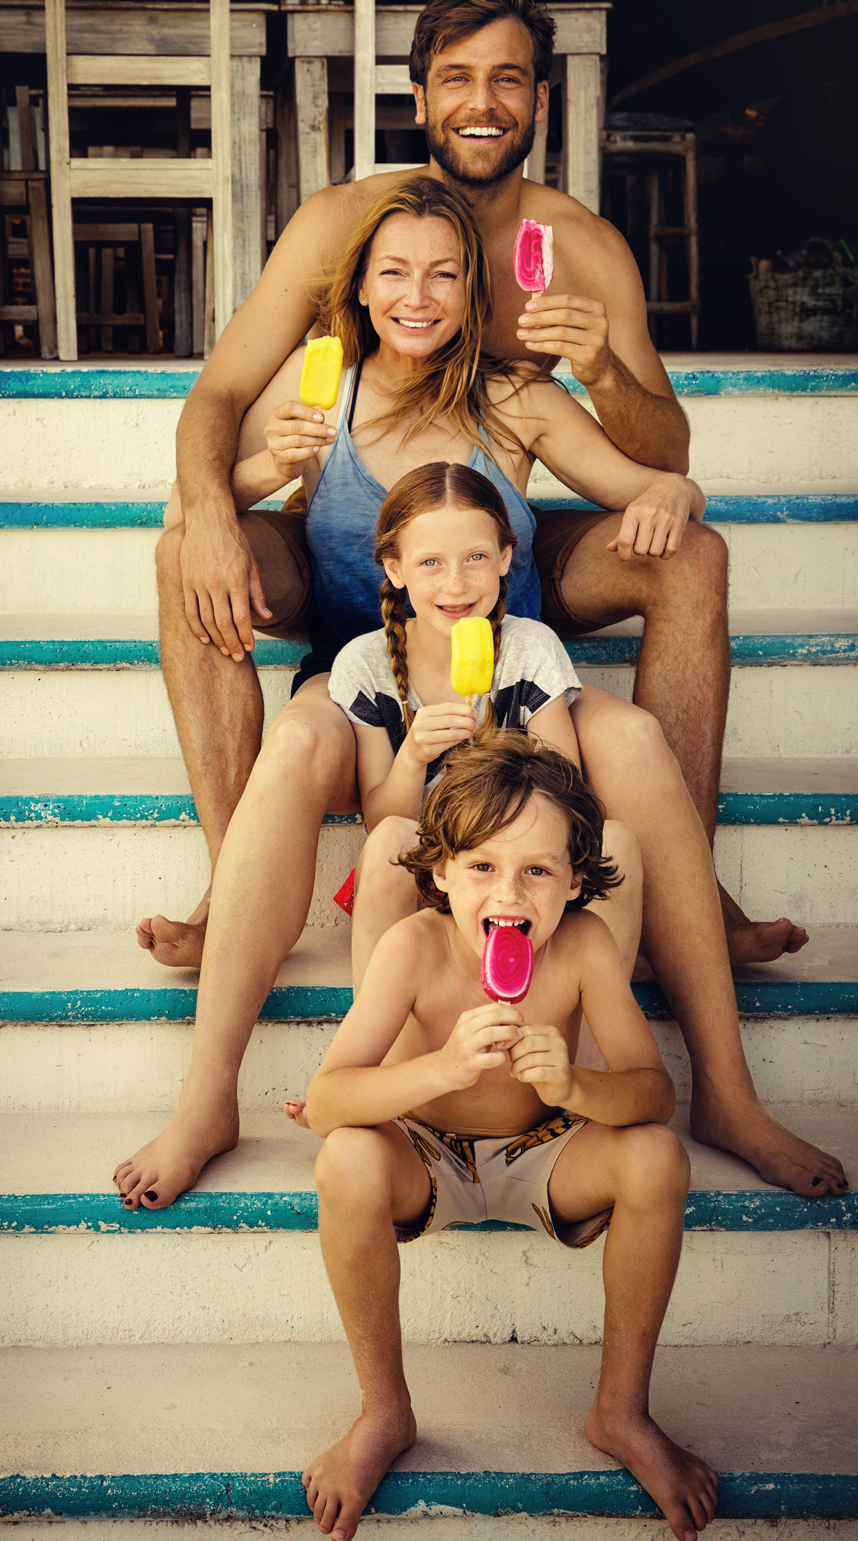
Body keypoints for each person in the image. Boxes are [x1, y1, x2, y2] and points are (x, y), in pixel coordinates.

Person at [114, 177, 847, 1211]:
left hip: (517, 675)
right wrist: (255, 476)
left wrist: (676, 494)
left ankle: (727, 1091)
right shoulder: (320, 388)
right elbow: (194, 499)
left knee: (635, 742)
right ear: (359, 288)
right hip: (366, 671)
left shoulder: (512, 395)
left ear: (473, 292)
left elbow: (650, 480)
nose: (417, 297)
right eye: (393, 274)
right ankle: (205, 1098)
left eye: (444, 276)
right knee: (290, 749)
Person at [142, 0, 805, 974]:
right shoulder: (344, 226)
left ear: (539, 99)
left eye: (507, 78)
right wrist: (209, 512)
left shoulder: (581, 248)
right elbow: (218, 397)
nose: (481, 102)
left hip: (500, 568)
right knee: (186, 550)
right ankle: (233, 890)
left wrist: (599, 369)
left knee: (694, 557)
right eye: (456, 77)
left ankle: (688, 891)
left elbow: (663, 455)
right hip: (341, 556)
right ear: (419, 98)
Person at [301, 734, 718, 1541]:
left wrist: (574, 1087)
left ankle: (621, 1412)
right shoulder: (414, 948)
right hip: (425, 1157)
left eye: (538, 871)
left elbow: (653, 1093)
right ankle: (384, 1412)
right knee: (346, 1157)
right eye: (484, 866)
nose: (509, 893)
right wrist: (442, 1069)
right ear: (441, 872)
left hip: (546, 1153)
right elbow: (327, 1101)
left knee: (655, 1156)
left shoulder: (584, 946)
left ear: (576, 880)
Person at [326, 461, 641, 998]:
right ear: (395, 569)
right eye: (430, 562)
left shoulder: (529, 649)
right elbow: (382, 821)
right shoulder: (365, 664)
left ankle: (585, 1031)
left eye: (475, 557)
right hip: (431, 869)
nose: (456, 583)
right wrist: (413, 757)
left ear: (505, 559)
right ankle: (379, 1036)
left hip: (521, 868)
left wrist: (499, 764)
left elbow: (566, 793)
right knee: (388, 843)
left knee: (619, 842)